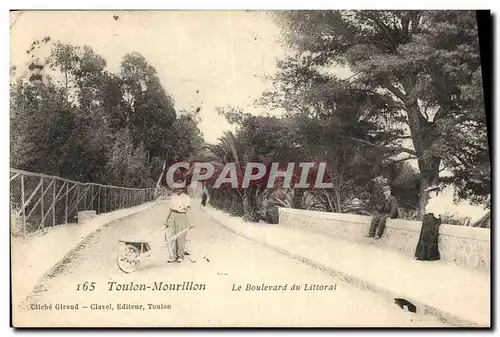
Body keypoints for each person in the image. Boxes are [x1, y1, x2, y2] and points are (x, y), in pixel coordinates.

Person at [164, 182, 192, 263]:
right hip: (173, 215)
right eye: (177, 188)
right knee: (172, 236)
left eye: (180, 188)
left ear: (183, 189)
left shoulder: (186, 197)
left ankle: (180, 256)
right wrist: (166, 220)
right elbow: (169, 209)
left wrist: (189, 222)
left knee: (180, 237)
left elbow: (188, 209)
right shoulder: (173, 196)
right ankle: (173, 257)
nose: (178, 190)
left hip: (181, 216)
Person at [415, 185, 442, 261]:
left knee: (430, 237)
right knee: (424, 236)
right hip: (427, 220)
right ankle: (423, 255)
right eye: (429, 192)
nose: (429, 193)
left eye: (430, 192)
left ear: (434, 192)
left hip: (432, 220)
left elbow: (437, 214)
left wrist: (434, 221)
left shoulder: (436, 201)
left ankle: (430, 255)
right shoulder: (430, 201)